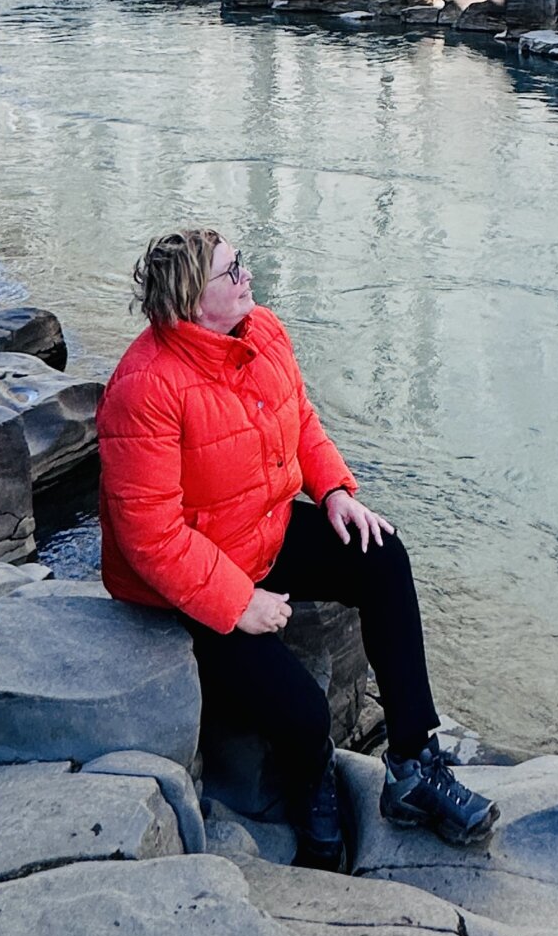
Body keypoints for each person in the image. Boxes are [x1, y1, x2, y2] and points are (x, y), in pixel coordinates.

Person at [97, 226, 497, 871]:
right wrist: (239, 603)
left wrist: (335, 489)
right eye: (232, 272)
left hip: (263, 530)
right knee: (304, 712)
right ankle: (314, 793)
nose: (247, 276)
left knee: (382, 555)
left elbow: (300, 419)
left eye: (242, 265)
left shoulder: (262, 333)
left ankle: (412, 764)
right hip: (190, 583)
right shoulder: (144, 389)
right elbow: (150, 537)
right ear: (194, 301)